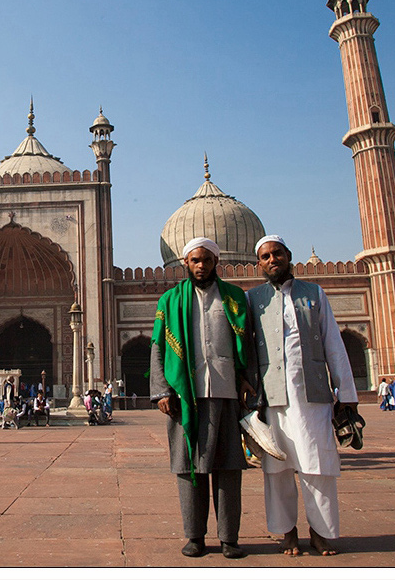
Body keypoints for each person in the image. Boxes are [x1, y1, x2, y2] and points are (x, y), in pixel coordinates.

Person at [247, 235, 359, 557]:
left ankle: (320, 533)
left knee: (318, 466)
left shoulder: (314, 294)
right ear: (259, 264)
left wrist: (346, 393)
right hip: (271, 398)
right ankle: (287, 532)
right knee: (276, 470)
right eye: (265, 256)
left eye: (277, 254)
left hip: (312, 396)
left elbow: (333, 344)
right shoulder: (253, 299)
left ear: (288, 256)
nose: (272, 260)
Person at [150, 237, 256, 559]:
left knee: (229, 468)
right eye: (195, 260)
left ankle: (229, 539)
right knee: (188, 468)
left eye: (207, 260)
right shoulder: (169, 300)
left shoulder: (235, 298)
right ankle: (194, 536)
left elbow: (249, 345)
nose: (201, 266)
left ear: (216, 262)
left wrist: (248, 383)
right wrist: (161, 391)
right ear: (185, 262)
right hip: (185, 396)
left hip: (225, 393)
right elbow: (157, 347)